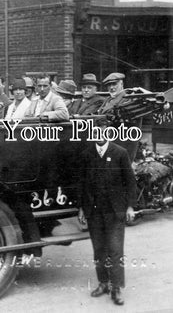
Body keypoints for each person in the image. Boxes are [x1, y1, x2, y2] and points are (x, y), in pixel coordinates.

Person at [77, 118, 137, 306]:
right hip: (94, 211)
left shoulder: (120, 153)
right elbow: (82, 183)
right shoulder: (87, 154)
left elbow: (130, 182)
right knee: (99, 250)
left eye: (103, 131)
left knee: (115, 250)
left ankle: (116, 288)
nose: (99, 134)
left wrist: (129, 206)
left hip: (115, 211)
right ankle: (103, 283)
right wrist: (81, 208)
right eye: (96, 131)